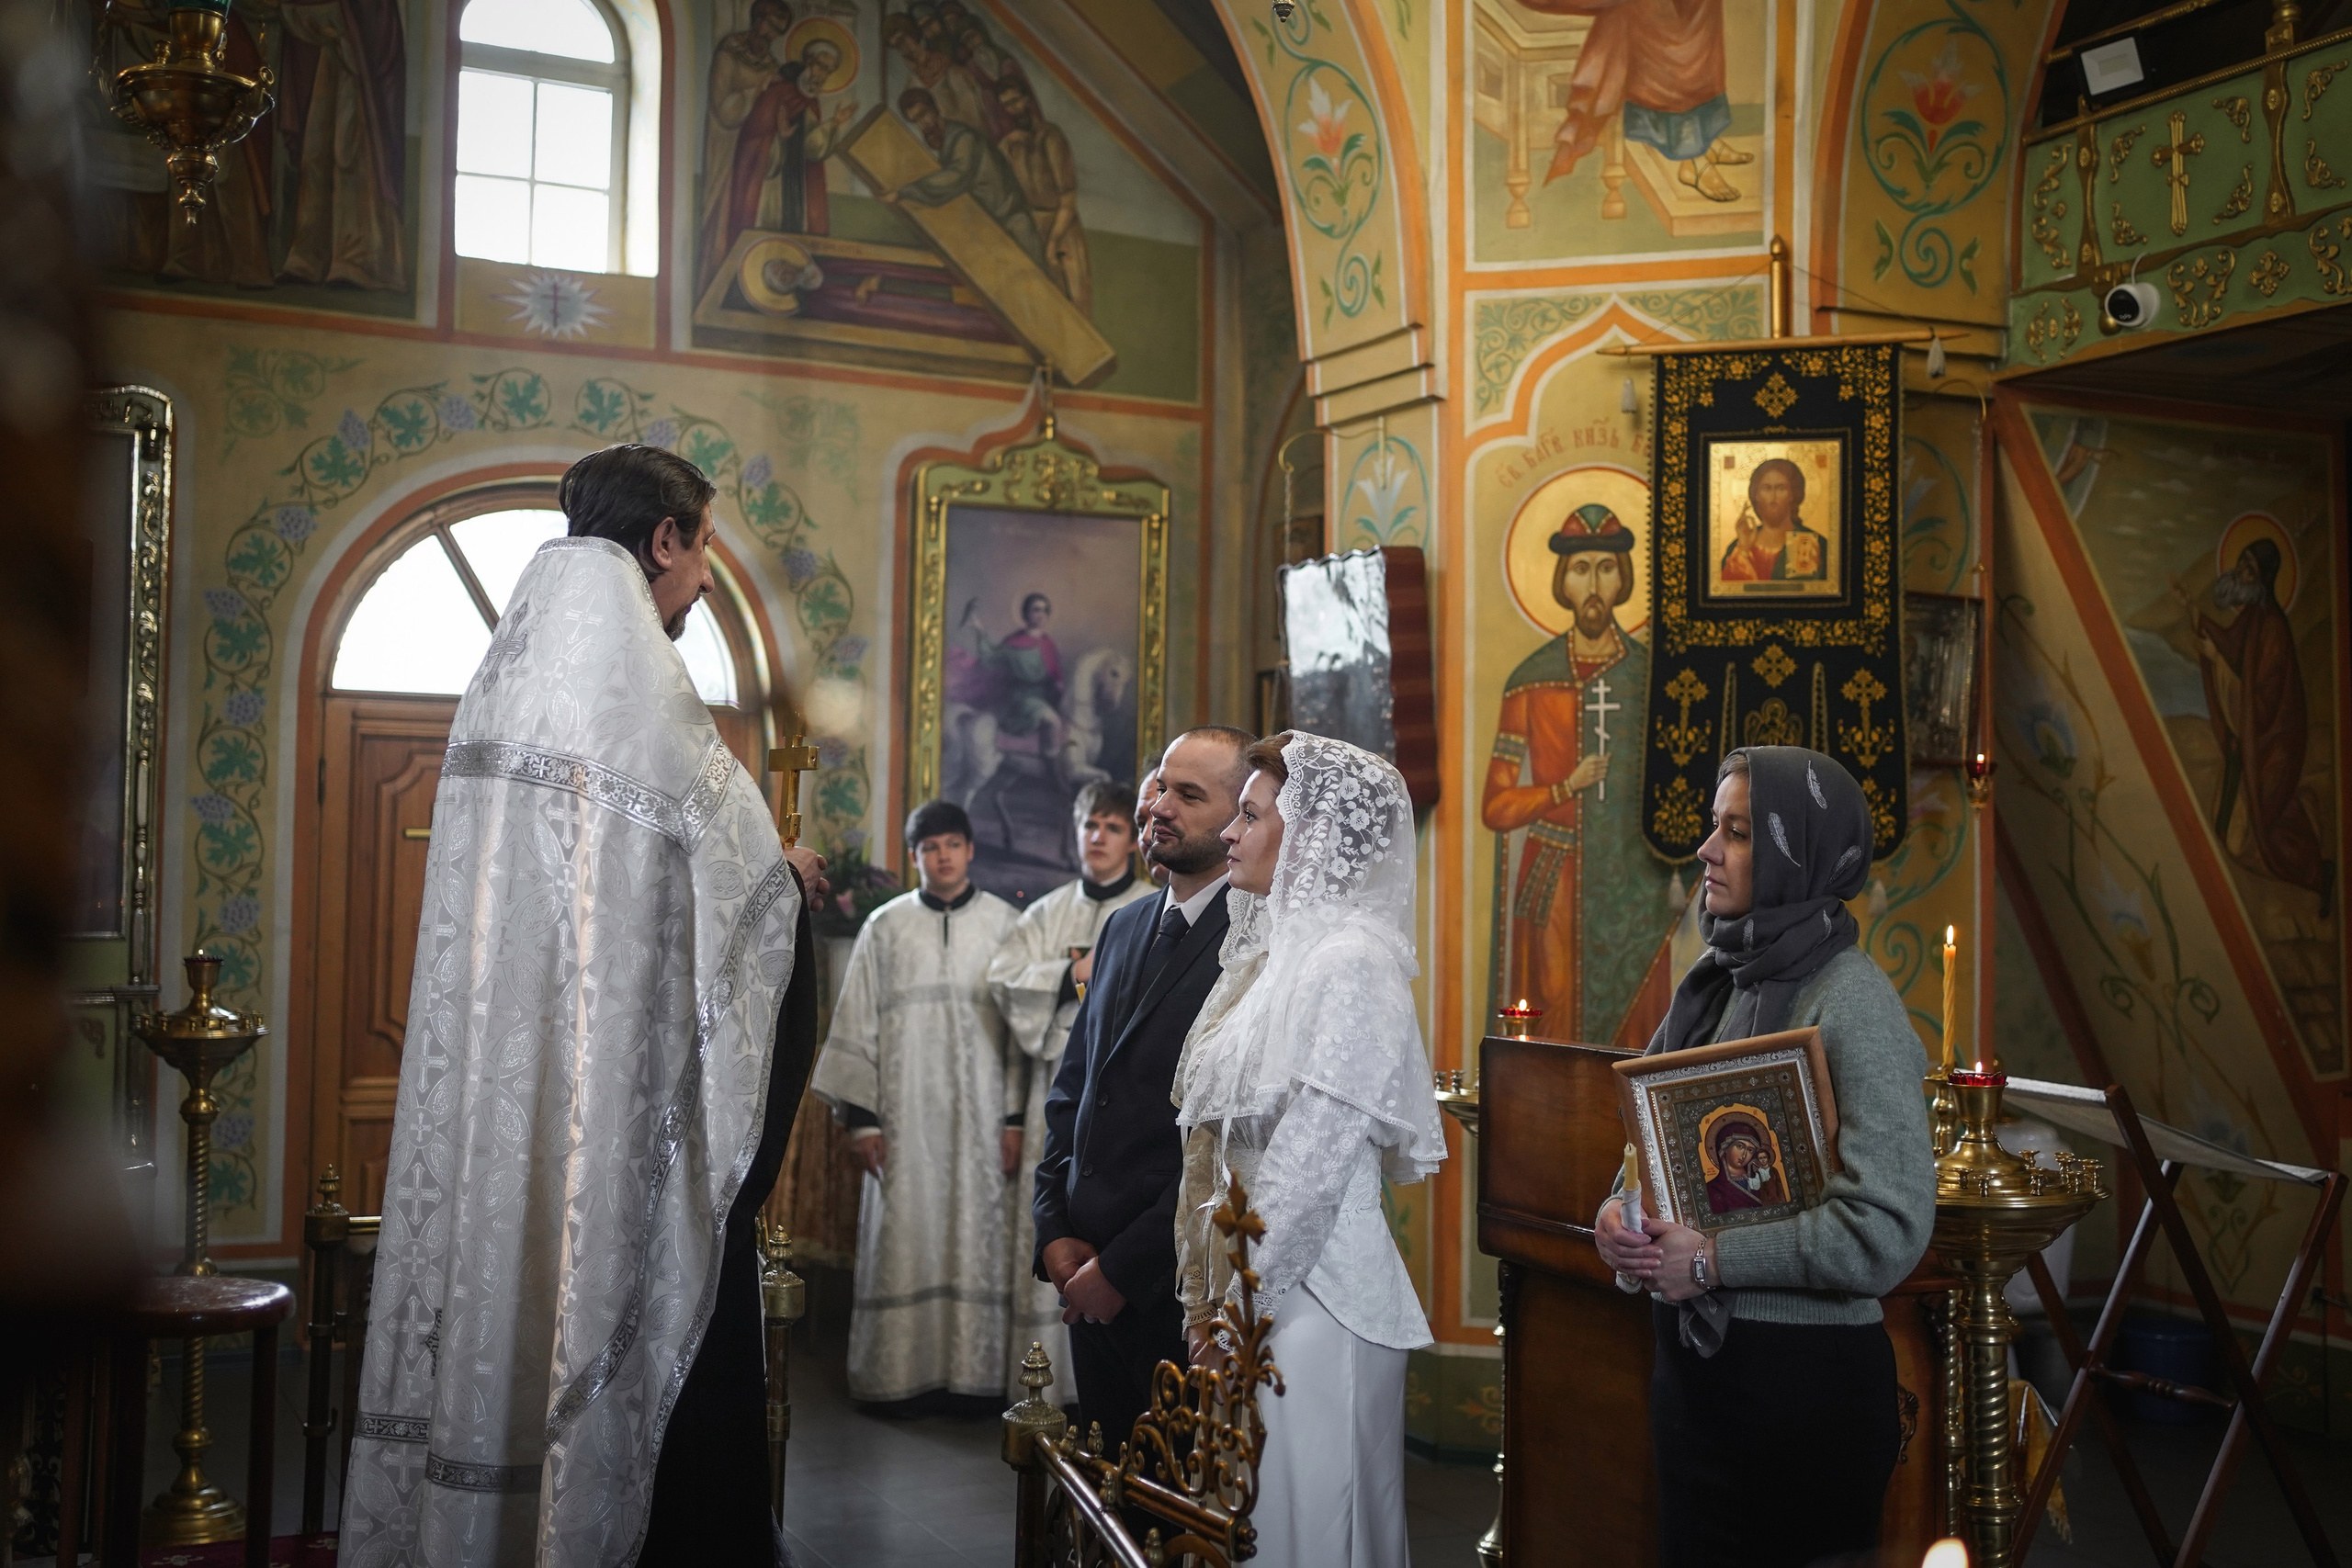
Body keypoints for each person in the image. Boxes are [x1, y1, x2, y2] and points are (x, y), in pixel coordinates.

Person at [342, 445, 830, 1567]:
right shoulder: (634, 690)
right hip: (617, 1130)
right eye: (701, 546)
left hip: (504, 1109)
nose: (704, 578)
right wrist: (785, 884)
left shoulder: (503, 677)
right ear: (664, 538)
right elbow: (731, 901)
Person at [1594, 746, 1935, 1568]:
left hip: (1803, 1392)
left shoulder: (1850, 997)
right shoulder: (1717, 984)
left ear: (1796, 852)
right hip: (1701, 1380)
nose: (1707, 849)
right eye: (1715, 826)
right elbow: (1654, 1151)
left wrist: (1710, 1260)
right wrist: (1619, 1218)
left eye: (1738, 832)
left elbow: (1887, 1228)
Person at [1172, 732, 1447, 1568]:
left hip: (1316, 1296)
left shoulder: (1353, 962)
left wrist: (1239, 1312)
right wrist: (1216, 1298)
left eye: (1250, 816)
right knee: (1257, 1517)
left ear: (1310, 834)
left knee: (1312, 1522)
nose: (1229, 833)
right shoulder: (1281, 954)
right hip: (1258, 1282)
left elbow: (1314, 1157)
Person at [1031, 727, 1253, 1448]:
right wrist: (1054, 1230)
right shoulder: (1124, 926)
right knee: (1103, 1491)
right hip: (1083, 1266)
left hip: (1169, 1282)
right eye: (1159, 784)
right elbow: (1074, 1091)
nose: (1159, 805)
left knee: (1167, 1504)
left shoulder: (1253, 945)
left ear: (1238, 817)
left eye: (1190, 795)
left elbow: (1225, 1142)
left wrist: (1119, 1269)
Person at [810, 799, 1023, 1407]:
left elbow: (1018, 1035)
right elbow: (855, 1026)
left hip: (983, 1121)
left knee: (974, 1232)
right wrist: (863, 1122)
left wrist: (1013, 1120)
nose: (943, 856)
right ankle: (897, 1378)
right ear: (914, 858)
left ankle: (974, 1380)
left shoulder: (1006, 926)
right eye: (930, 847)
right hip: (903, 1120)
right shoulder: (885, 926)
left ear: (971, 849)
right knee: (906, 1233)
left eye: (953, 843)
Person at [987, 781, 1154, 1399]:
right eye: (1090, 826)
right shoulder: (1046, 913)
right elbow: (1004, 980)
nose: (1099, 838)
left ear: (1134, 840)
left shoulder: (1153, 907)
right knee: (1057, 1206)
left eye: (1113, 827)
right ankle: (1045, 1382)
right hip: (1055, 1086)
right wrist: (1067, 972)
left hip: (1124, 1100)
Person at [1481, 503, 1674, 1038]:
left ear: (1624, 580)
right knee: (1553, 1031)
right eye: (1581, 569)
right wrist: (1565, 787)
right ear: (1563, 582)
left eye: (1607, 568)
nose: (1594, 584)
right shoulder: (1531, 681)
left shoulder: (1650, 679)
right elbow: (1496, 807)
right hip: (1555, 883)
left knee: (1640, 1033)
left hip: (1636, 886)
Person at [2192, 537, 2335, 914]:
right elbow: (2231, 646)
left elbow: (2262, 704)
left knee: (2246, 843)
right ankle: (2296, 814)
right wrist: (2203, 628)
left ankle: (2318, 873)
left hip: (2275, 746)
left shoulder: (2272, 628)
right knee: (2223, 827)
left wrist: (2217, 663)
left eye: (2249, 569)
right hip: (2255, 742)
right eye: (2241, 563)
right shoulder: (2253, 617)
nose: (2240, 572)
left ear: (2263, 579)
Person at [886, 86, 1048, 269]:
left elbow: (956, 176)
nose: (922, 124)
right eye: (915, 120)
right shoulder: (949, 142)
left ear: (935, 108)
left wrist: (904, 192)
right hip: (995, 231)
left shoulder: (964, 138)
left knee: (1035, 286)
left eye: (923, 114)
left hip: (1015, 228)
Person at [1720, 458, 1829, 584]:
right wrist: (1743, 551)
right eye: (1766, 488)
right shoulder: (1738, 547)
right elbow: (1726, 591)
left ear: (1792, 494)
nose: (1773, 498)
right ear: (1756, 495)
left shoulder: (1811, 542)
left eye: (1781, 489)